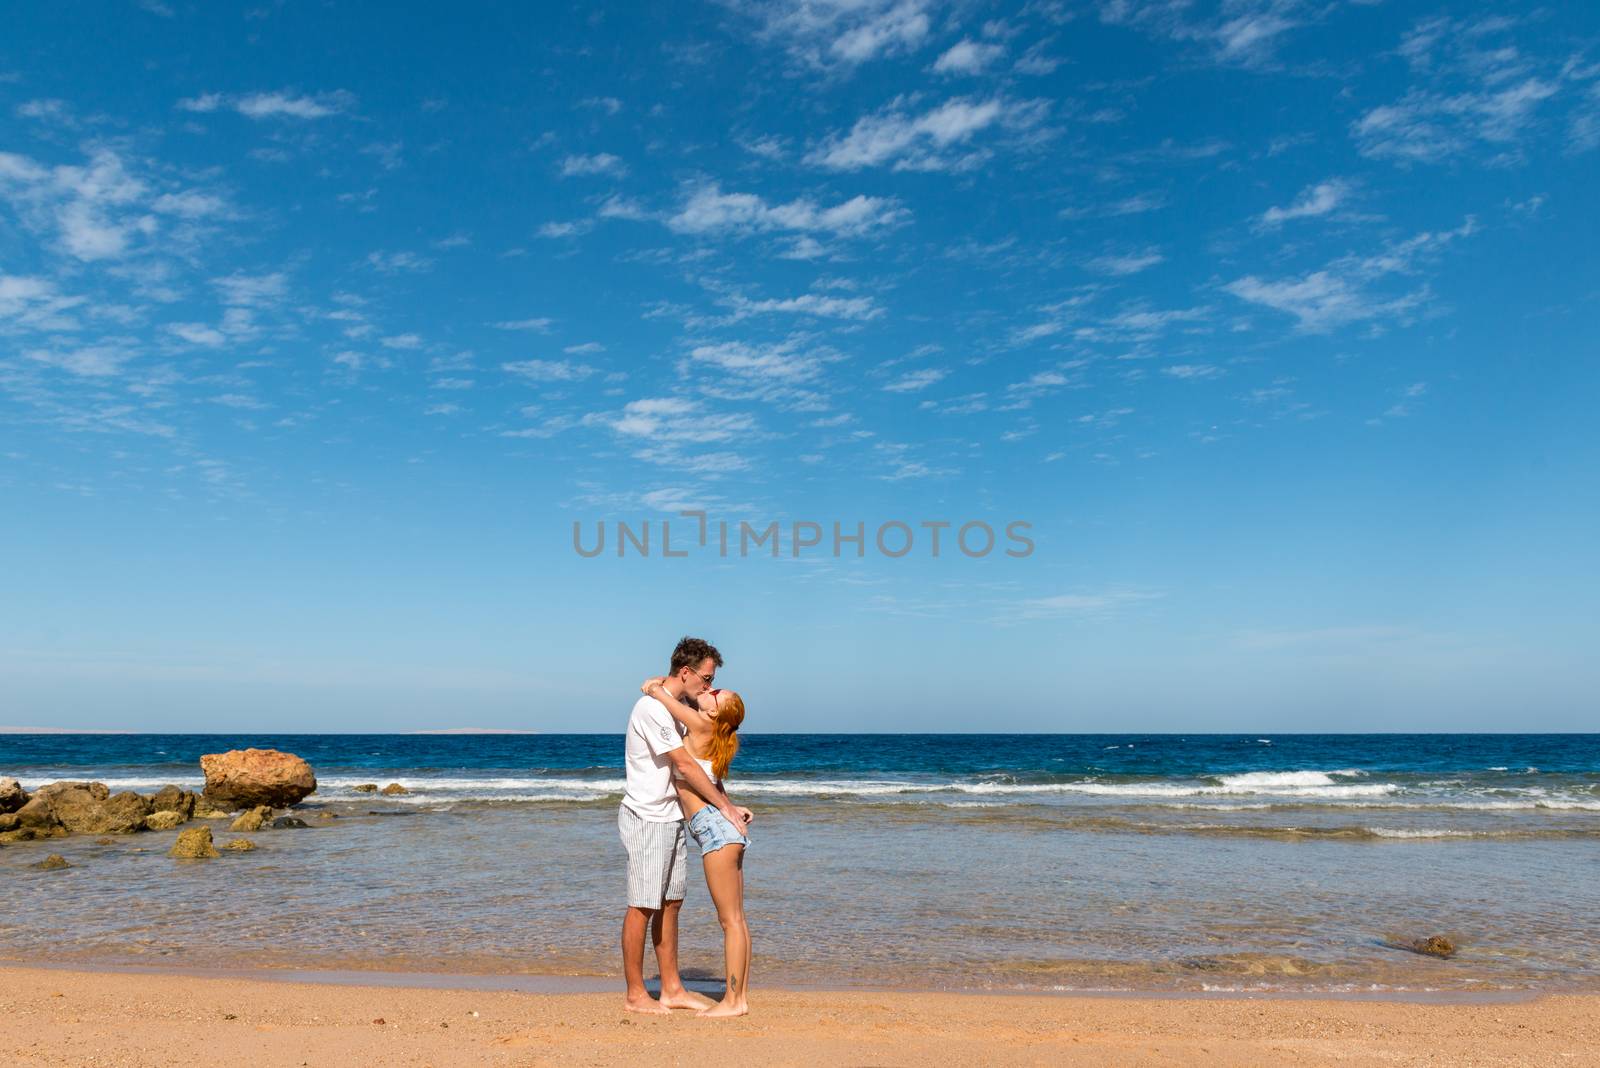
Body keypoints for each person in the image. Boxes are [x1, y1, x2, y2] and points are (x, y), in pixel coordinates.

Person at [618, 637, 750, 1016]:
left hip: (674, 818)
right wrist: (726, 805)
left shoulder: (680, 710)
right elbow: (688, 766)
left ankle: (672, 988)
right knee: (642, 905)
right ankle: (635, 993)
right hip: (647, 815)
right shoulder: (653, 710)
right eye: (706, 679)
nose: (708, 687)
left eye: (713, 685)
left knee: (671, 903)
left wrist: (661, 685)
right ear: (687, 672)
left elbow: (703, 766)